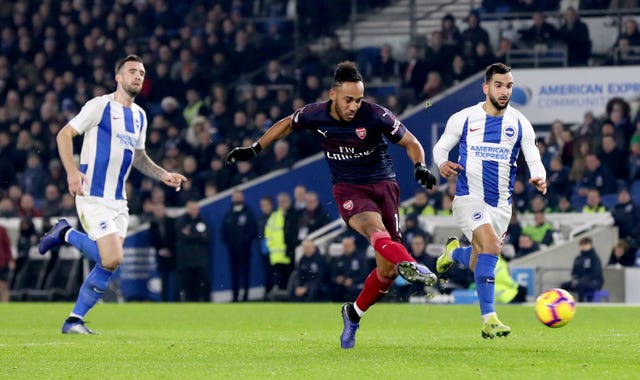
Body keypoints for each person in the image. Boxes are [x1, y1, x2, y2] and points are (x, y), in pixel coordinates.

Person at [226, 61, 438, 349]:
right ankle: (411, 264)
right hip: (348, 189)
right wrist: (254, 149)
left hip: (384, 186)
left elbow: (411, 141)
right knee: (375, 231)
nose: (354, 106)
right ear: (333, 95)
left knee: (386, 272)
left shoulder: (376, 116)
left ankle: (353, 313)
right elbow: (287, 124)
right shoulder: (315, 114)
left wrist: (420, 166)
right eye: (348, 100)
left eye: (358, 100)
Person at [38, 55, 187, 334]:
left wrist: (162, 174)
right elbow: (63, 135)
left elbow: (139, 157)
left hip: (119, 200)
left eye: (142, 72)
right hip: (92, 194)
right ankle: (65, 233)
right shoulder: (100, 106)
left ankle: (74, 320)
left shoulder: (140, 116)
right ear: (118, 77)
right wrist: (71, 171)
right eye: (132, 71)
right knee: (111, 257)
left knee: (110, 263)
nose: (138, 76)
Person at [433, 63, 547, 339]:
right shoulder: (464, 118)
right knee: (493, 248)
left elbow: (533, 156)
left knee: (478, 262)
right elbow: (441, 147)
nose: (504, 91)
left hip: (500, 207)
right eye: (498, 85)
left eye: (509, 86)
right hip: (469, 198)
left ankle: (452, 254)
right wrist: (441, 164)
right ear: (486, 88)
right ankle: (490, 319)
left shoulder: (519, 122)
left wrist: (539, 176)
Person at [221, 189, 258, 302]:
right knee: (234, 274)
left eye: (238, 196)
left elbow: (253, 229)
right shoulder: (229, 213)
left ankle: (245, 296)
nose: (236, 198)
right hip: (232, 250)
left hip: (245, 249)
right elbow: (224, 230)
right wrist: (229, 242)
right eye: (235, 196)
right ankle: (235, 296)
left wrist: (244, 242)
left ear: (242, 197)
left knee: (245, 273)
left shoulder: (248, 213)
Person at [175, 199, 211, 302]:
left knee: (202, 288)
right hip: (186, 262)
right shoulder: (181, 221)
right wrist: (199, 236)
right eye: (191, 209)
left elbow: (207, 237)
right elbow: (183, 236)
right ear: (187, 209)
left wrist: (191, 234)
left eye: (196, 209)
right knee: (187, 289)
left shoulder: (202, 221)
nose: (194, 211)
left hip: (200, 262)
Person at [148, 202, 178, 302]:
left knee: (175, 281)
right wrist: (160, 250)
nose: (158, 212)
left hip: (173, 256)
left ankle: (176, 300)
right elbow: (152, 240)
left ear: (164, 210)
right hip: (161, 257)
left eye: (160, 210)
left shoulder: (172, 221)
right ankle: (164, 300)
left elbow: (176, 238)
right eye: (156, 210)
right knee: (164, 280)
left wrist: (170, 250)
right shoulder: (153, 225)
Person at [561, 236, 603, 302]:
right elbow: (574, 272)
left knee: (582, 284)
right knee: (564, 285)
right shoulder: (578, 258)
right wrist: (575, 279)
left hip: (594, 282)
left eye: (585, 244)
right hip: (580, 280)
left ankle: (581, 303)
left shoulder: (594, 258)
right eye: (582, 244)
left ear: (590, 245)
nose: (583, 246)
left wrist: (582, 279)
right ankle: (565, 304)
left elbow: (596, 273)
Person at [0, 223, 15, 302]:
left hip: (2, 262)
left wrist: (11, 260)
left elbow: (7, 246)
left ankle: (5, 305)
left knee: (4, 285)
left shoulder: (2, 230)